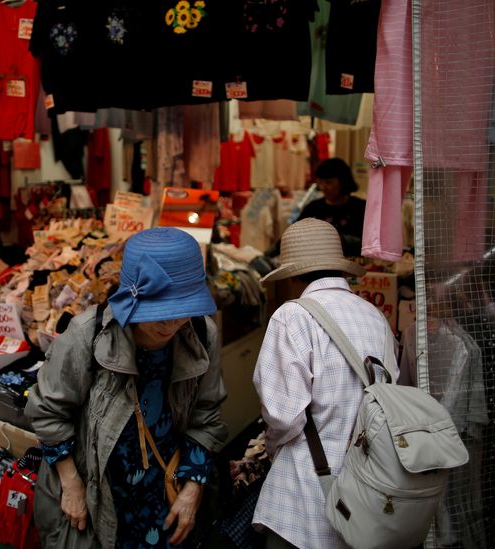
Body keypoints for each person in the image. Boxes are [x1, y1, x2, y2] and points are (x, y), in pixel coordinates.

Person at [25, 227, 228, 549]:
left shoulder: (202, 335)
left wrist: (193, 488)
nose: (170, 325)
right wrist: (72, 484)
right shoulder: (87, 335)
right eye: (160, 313)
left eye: (180, 312)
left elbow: (206, 414)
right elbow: (48, 412)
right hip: (100, 492)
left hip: (166, 490)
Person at [252, 218, 399, 549]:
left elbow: (283, 416)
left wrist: (273, 449)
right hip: (369, 493)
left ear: (292, 275)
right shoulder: (376, 318)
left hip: (304, 497)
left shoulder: (293, 317)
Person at [298, 158, 366, 256]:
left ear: (343, 181)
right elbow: (295, 236)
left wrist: (345, 240)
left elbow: (372, 243)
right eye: (320, 182)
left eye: (329, 182)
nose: (323, 187)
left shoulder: (360, 207)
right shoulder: (313, 208)